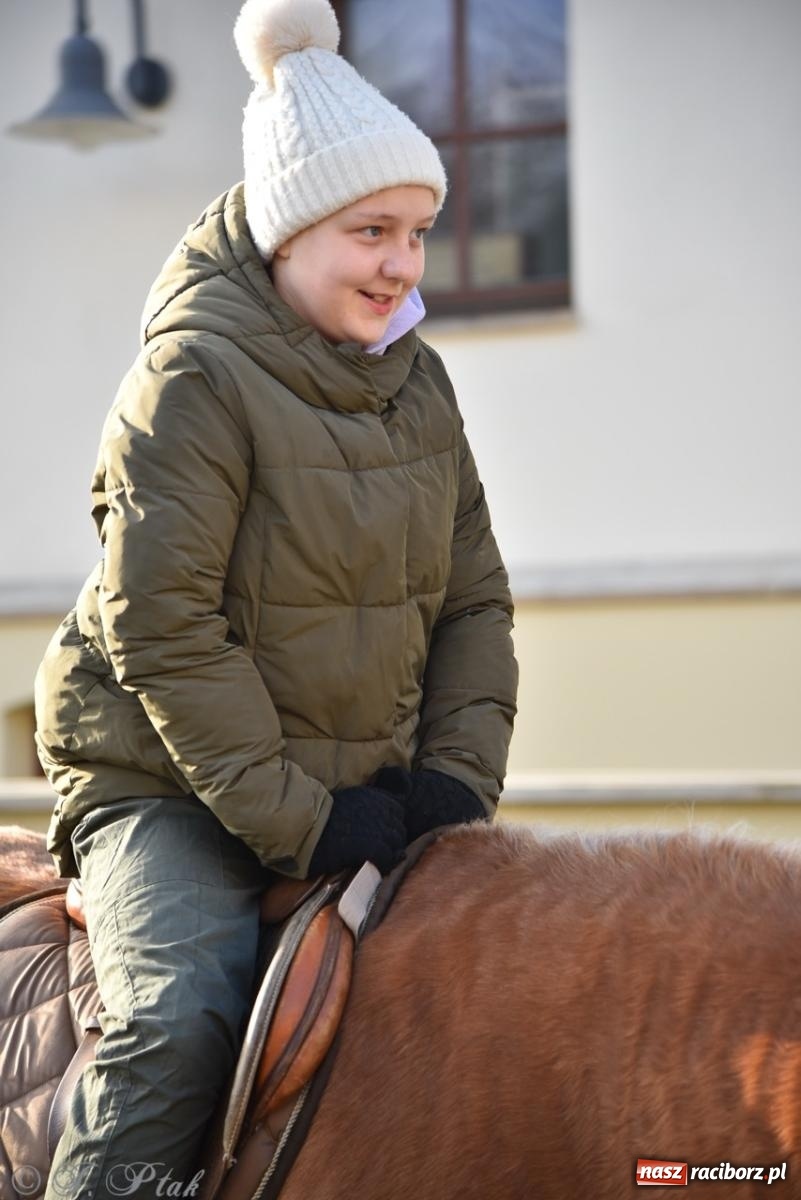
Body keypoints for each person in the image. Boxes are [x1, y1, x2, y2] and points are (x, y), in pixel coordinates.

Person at [34, 0, 519, 1195]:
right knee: (180, 1019)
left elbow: (473, 605)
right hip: (170, 785)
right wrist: (301, 820)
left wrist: (457, 781)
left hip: (365, 784)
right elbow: (163, 626)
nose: (403, 263)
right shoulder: (193, 374)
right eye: (371, 230)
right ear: (288, 231)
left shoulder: (420, 385)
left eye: (416, 232)